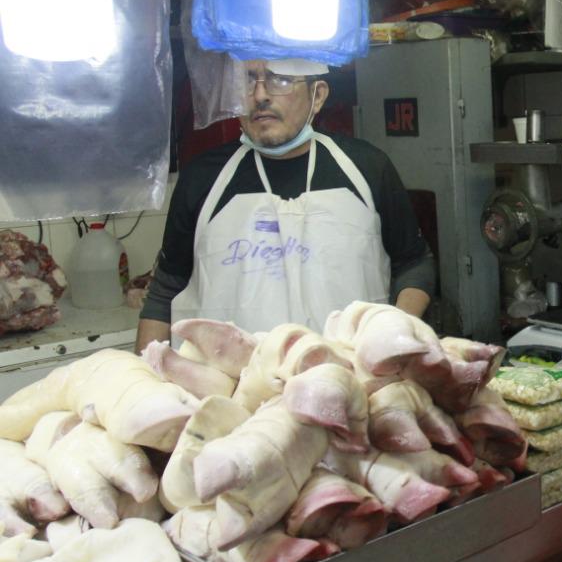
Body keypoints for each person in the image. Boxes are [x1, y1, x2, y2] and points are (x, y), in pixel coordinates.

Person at [136, 58, 434, 349]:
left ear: (317, 95)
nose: (260, 95)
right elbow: (164, 292)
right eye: (248, 80)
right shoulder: (202, 178)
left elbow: (414, 263)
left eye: (280, 79)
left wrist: (390, 338)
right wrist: (144, 385)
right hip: (231, 390)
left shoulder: (368, 169)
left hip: (351, 383)